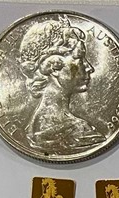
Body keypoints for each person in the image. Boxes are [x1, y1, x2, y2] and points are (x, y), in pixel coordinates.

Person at [17, 19, 105, 151]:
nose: (89, 68)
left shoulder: (33, 128)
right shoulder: (80, 131)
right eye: (80, 58)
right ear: (54, 67)